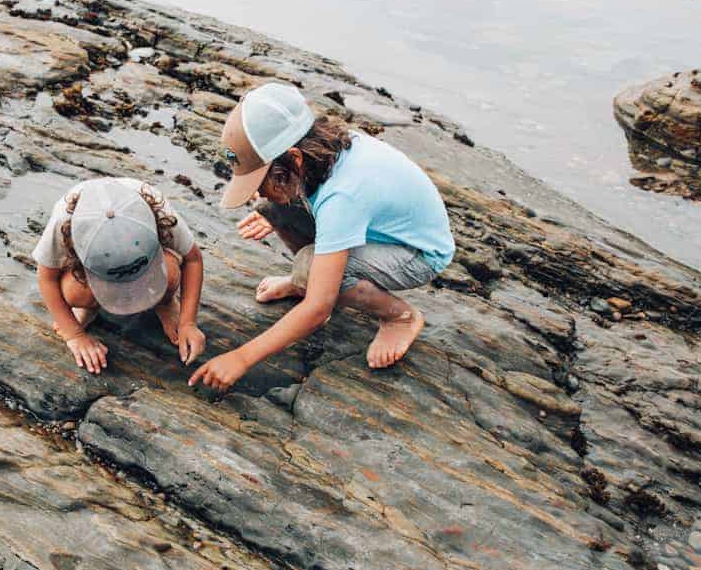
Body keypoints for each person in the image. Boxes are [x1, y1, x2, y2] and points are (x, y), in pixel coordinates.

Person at [190, 82, 454, 392]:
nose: (257, 191)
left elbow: (319, 311)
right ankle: (311, 282)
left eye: (262, 181)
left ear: (294, 159)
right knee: (272, 209)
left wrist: (240, 358)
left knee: (311, 269)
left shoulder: (342, 196)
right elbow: (294, 199)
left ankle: (399, 318)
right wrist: (274, 209)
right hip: (378, 230)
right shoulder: (323, 152)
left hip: (417, 254)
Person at [34, 177, 206, 374]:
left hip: (149, 255)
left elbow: (193, 259)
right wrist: (74, 334)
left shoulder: (159, 209)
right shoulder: (62, 222)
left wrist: (188, 322)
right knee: (75, 293)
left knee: (171, 272)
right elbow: (46, 278)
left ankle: (164, 302)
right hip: (87, 264)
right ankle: (90, 307)